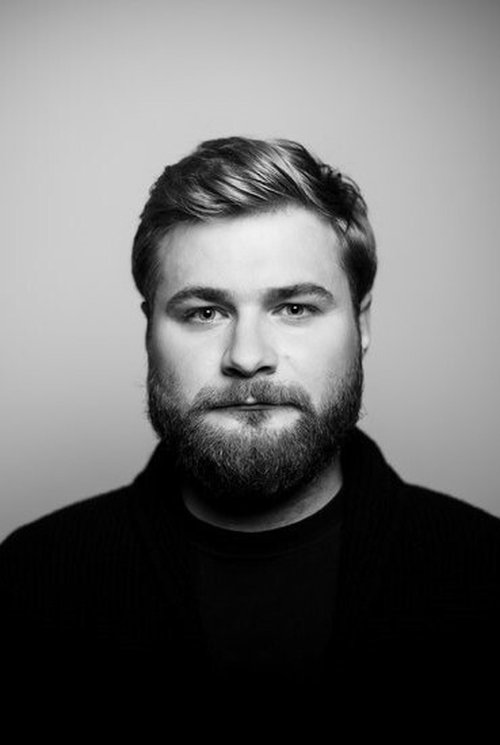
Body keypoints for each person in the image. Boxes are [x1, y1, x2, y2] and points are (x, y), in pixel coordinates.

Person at [1, 137, 499, 704]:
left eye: (295, 309)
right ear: (149, 331)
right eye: (205, 312)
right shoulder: (33, 581)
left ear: (361, 326)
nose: (246, 356)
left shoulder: (484, 573)